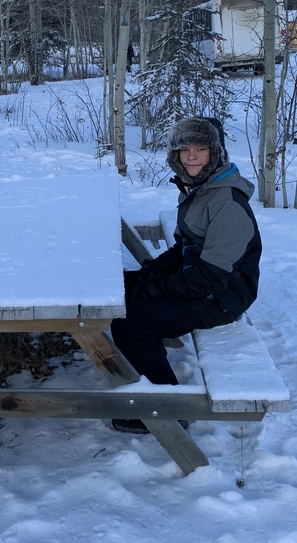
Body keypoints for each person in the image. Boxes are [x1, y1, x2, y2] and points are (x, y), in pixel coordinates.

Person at [111, 116, 261, 434]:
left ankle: (167, 410)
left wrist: (154, 288)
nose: (191, 155)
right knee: (121, 288)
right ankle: (150, 370)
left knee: (132, 323)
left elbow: (210, 278)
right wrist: (149, 273)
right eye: (184, 148)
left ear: (215, 153)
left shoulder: (227, 204)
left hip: (221, 296)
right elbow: (184, 247)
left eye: (201, 148)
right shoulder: (199, 190)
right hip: (198, 278)